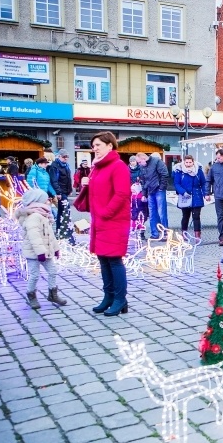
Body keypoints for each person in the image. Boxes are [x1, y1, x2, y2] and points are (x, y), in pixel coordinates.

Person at [87, 132, 132, 316]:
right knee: (103, 259)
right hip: (100, 221)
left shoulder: (118, 166)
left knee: (114, 260)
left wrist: (105, 213)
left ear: (109, 146)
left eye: (98, 145)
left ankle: (120, 299)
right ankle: (109, 297)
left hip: (114, 220)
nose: (95, 148)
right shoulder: (97, 167)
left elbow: (122, 194)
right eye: (94, 145)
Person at [15, 188, 67, 309]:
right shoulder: (34, 217)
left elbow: (50, 235)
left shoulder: (44, 215)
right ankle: (31, 295)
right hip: (34, 253)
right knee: (34, 275)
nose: (48, 202)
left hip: (45, 251)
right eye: (46, 200)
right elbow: (34, 237)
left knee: (53, 271)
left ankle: (52, 294)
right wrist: (40, 252)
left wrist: (56, 248)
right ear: (38, 202)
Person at [173, 155, 207, 240]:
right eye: (186, 162)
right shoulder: (179, 171)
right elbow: (177, 183)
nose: (188, 164)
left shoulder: (198, 171)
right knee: (185, 216)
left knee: (196, 217)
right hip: (185, 196)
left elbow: (203, 183)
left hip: (196, 196)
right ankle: (184, 234)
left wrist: (205, 194)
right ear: (184, 162)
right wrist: (183, 192)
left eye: (190, 162)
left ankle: (197, 236)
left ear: (193, 162)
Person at [137, 151, 169, 239]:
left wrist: (161, 187)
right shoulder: (143, 167)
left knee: (162, 213)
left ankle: (165, 234)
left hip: (158, 190)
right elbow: (143, 181)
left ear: (143, 159)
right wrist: (144, 194)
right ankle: (154, 234)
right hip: (150, 191)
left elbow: (164, 174)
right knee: (152, 213)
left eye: (139, 162)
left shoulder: (157, 161)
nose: (139, 164)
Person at [49, 148, 76, 245]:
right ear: (59, 156)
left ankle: (62, 231)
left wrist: (69, 190)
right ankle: (63, 231)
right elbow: (54, 181)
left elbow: (68, 178)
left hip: (65, 191)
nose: (66, 159)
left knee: (63, 211)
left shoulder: (66, 165)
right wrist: (58, 193)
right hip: (61, 192)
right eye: (64, 157)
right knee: (64, 210)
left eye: (67, 157)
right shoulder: (54, 166)